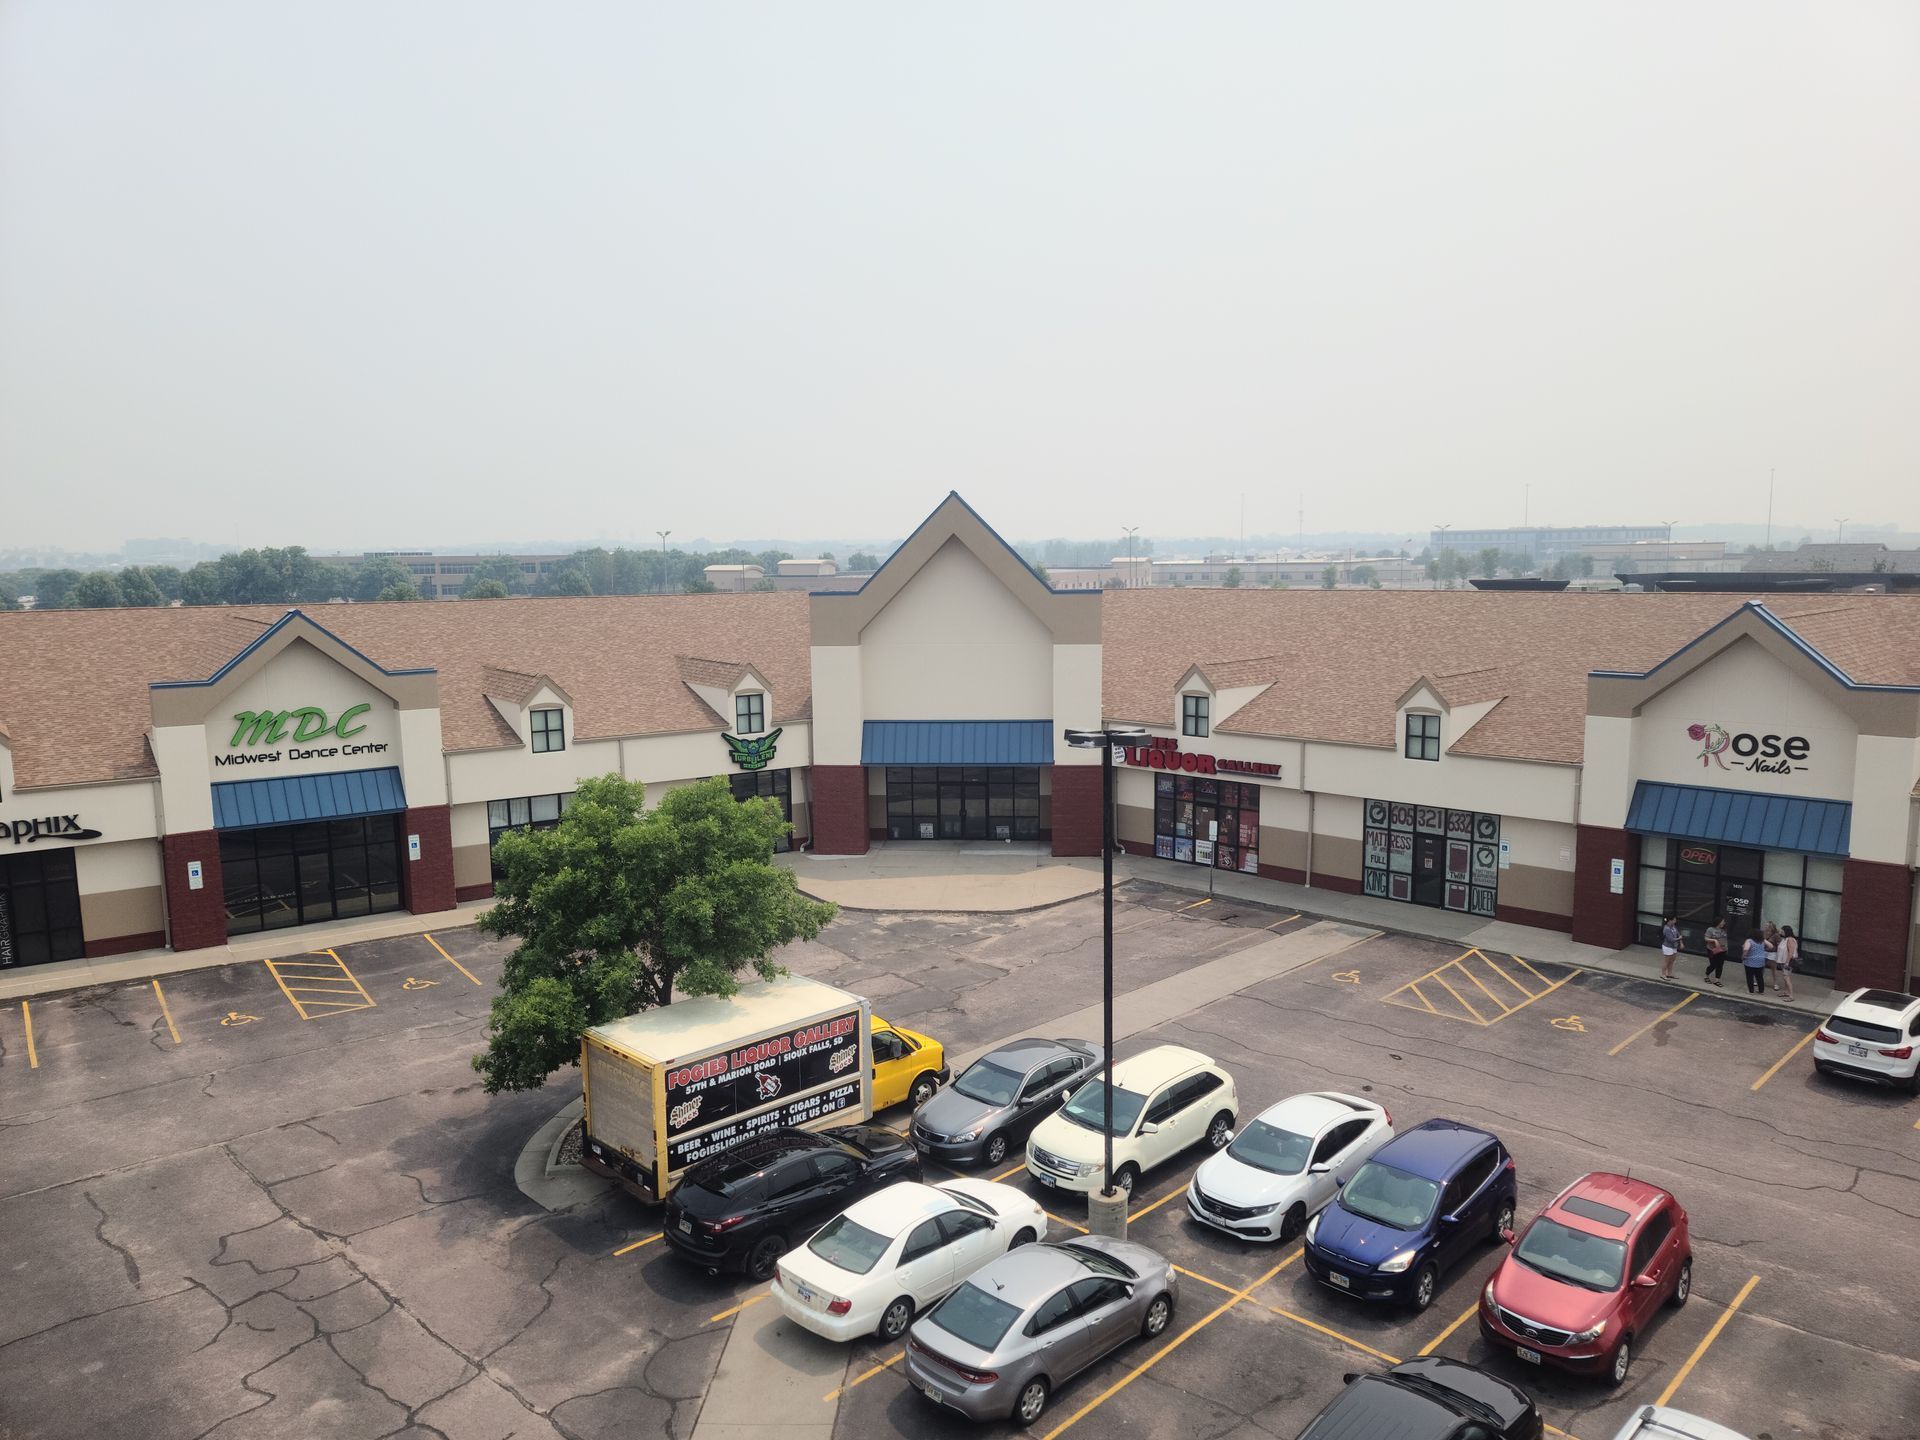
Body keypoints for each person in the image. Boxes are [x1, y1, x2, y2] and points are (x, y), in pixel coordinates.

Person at [1703, 916, 1728, 987]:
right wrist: (1714, 940)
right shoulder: (1710, 929)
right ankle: (1707, 975)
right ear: (1718, 922)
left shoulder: (1724, 930)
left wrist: (1726, 948)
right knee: (1713, 964)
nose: (1724, 923)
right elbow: (1706, 938)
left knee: (1720, 965)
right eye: (1723, 921)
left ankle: (1717, 980)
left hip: (1723, 950)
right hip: (1712, 949)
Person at [1776, 925, 1798, 1001]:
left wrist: (1787, 962)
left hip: (1788, 961)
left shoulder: (1790, 940)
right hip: (1783, 961)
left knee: (1786, 977)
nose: (1781, 932)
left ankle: (1791, 995)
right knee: (1785, 977)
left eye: (1782, 931)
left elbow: (1791, 952)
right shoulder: (1784, 939)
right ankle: (1786, 992)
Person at [1763, 921, 1783, 991]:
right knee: (1761, 966)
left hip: (1772, 953)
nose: (1765, 927)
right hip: (1764, 951)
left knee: (1773, 969)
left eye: (1766, 926)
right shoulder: (1764, 933)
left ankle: (1775, 984)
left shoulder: (1776, 935)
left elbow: (1780, 945)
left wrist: (1778, 954)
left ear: (1770, 927)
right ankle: (1759, 980)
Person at [1659, 915, 1681, 980]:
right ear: (1670, 921)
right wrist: (1679, 938)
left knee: (1672, 961)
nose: (1675, 921)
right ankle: (1663, 974)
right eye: (1674, 920)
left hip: (1674, 946)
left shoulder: (1673, 927)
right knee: (1667, 961)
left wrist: (1681, 941)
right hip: (1667, 947)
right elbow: (1670, 939)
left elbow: (1678, 933)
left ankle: (1669, 974)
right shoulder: (1666, 929)